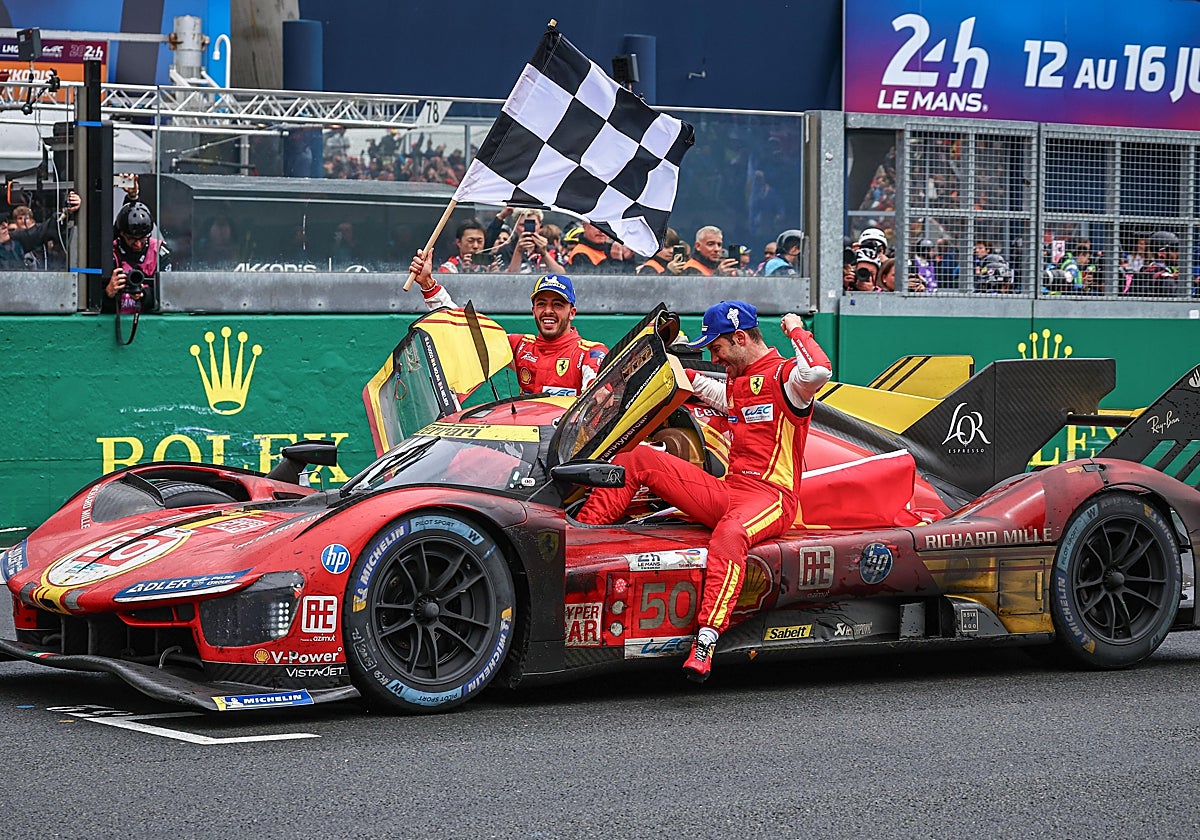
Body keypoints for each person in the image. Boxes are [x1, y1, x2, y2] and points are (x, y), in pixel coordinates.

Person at [576, 301, 832, 682]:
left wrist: (796, 328)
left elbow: (820, 369)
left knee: (730, 534)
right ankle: (578, 536)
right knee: (637, 459)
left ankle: (706, 640)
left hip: (773, 498)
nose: (716, 357)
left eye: (718, 348)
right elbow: (702, 386)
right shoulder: (736, 382)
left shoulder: (788, 378)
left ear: (741, 338)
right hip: (730, 492)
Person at [409, 249, 607, 396]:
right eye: (541, 304)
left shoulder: (590, 352)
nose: (548, 311)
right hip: (526, 447)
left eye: (557, 305)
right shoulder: (521, 346)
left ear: (572, 312)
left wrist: (598, 392)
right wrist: (428, 285)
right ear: (533, 310)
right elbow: (466, 330)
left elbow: (597, 388)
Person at [105, 200, 164, 313]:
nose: (137, 244)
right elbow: (94, 300)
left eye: (142, 239)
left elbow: (168, 296)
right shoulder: (109, 252)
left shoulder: (159, 251)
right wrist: (108, 293)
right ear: (122, 234)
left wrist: (144, 295)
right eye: (132, 239)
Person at [9, 191, 81, 270]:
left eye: (26, 217)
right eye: (19, 218)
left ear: (32, 220)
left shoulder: (35, 237)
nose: (24, 220)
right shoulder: (13, 238)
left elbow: (43, 231)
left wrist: (67, 212)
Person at [499, 209, 566, 275]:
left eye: (533, 224)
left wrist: (544, 253)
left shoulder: (551, 249)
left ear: (540, 226)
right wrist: (518, 251)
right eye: (522, 225)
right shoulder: (506, 250)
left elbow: (563, 275)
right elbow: (507, 279)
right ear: (515, 227)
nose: (527, 229)